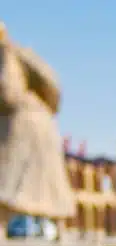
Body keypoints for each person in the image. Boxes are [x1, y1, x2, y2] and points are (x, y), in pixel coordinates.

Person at [0, 23, 75, 235]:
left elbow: (8, 92)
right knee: (47, 190)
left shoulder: (5, 53)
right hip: (42, 126)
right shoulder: (21, 53)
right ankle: (60, 234)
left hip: (21, 128)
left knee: (7, 185)